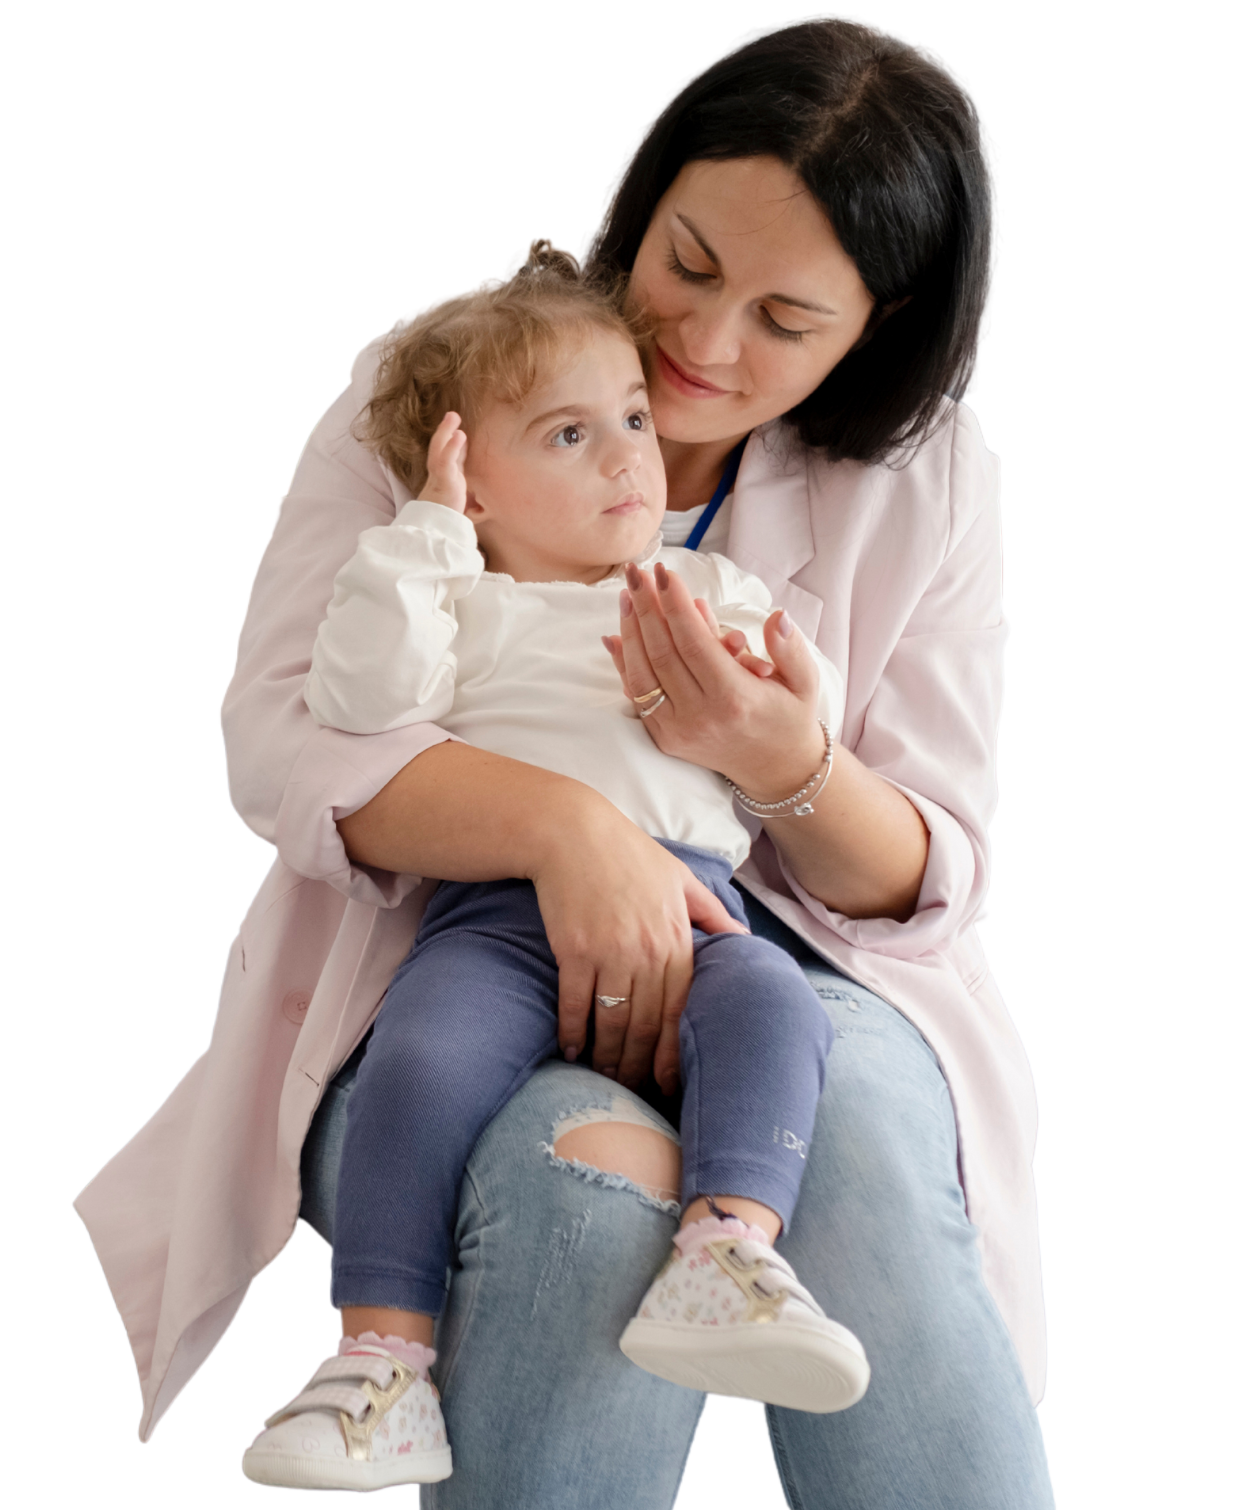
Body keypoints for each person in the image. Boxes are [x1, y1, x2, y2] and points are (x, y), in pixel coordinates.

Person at [74, 17, 1055, 1507]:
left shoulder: (929, 480)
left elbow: (934, 869)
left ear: (879, 323)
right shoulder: (444, 376)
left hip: (787, 956)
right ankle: (375, 1369)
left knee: (844, 1116)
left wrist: (782, 758)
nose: (704, 345)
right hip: (448, 955)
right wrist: (566, 833)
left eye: (786, 319)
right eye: (688, 263)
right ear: (638, 195)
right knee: (586, 1181)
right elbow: (278, 734)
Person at [240, 244, 870, 1492]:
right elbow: (356, 699)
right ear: (472, 485)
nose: (629, 458)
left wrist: (790, 699)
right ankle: (379, 1362)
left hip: (697, 911)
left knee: (777, 1004)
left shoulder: (697, 585)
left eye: (632, 418)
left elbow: (791, 712)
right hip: (495, 920)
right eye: (569, 436)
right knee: (421, 1059)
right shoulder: (458, 604)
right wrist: (424, 535)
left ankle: (726, 1251)